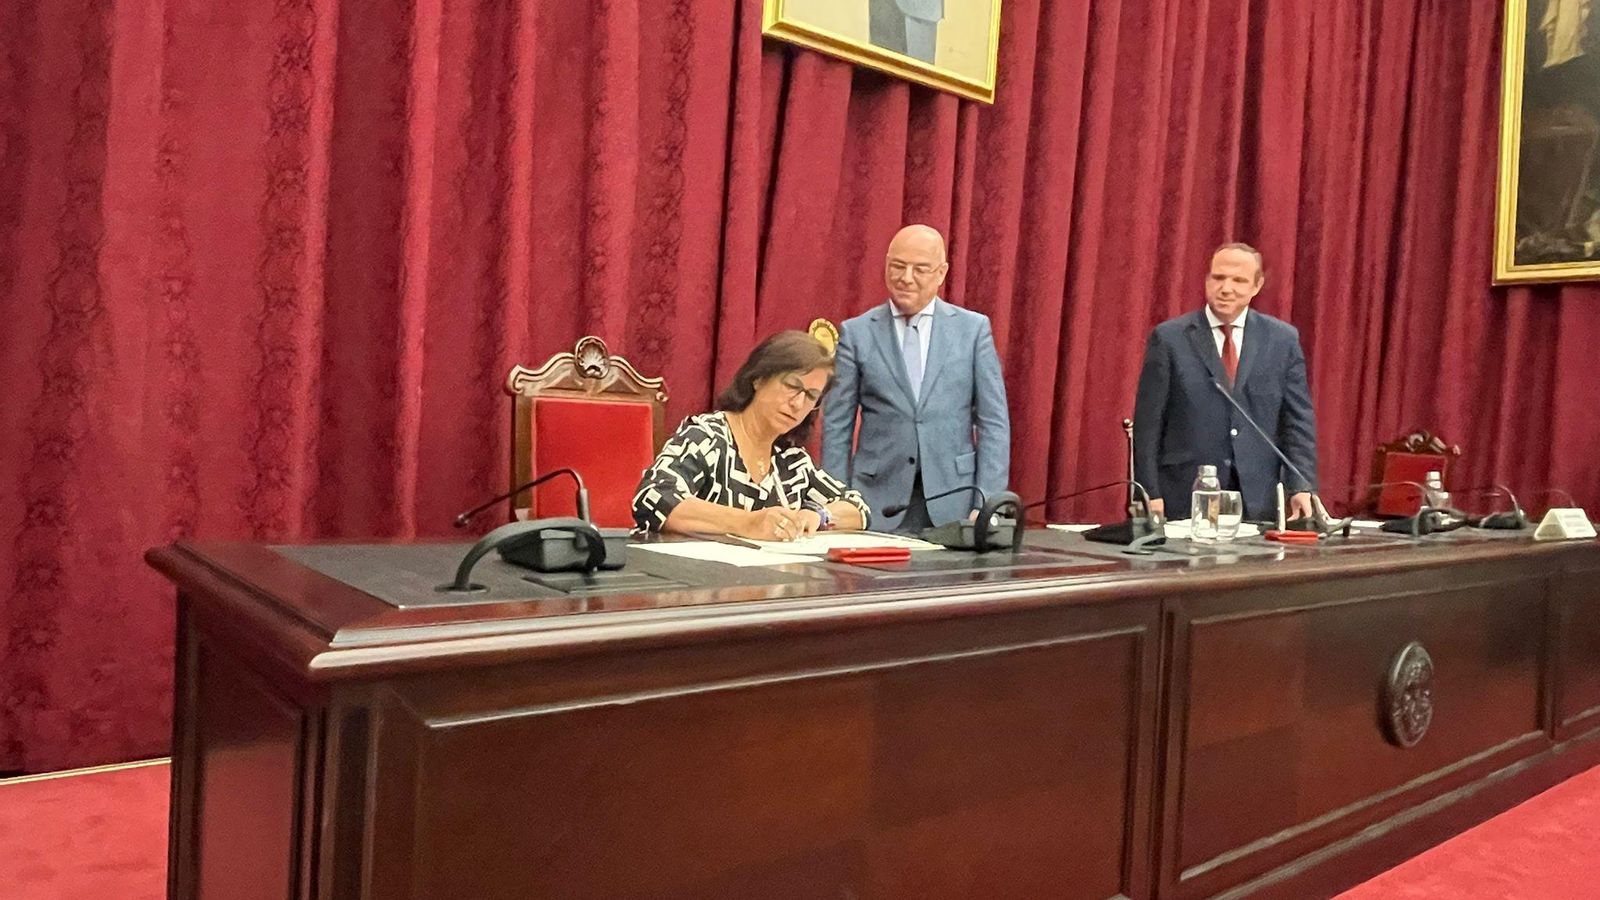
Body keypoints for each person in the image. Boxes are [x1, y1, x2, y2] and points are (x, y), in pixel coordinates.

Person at [822, 224, 1010, 532]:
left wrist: (987, 503)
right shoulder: (857, 333)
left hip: (956, 501)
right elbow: (836, 425)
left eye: (920, 269)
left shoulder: (973, 331)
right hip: (875, 500)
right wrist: (837, 499)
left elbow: (993, 422)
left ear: (941, 273)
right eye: (897, 266)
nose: (905, 278)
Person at [1132, 242, 1318, 521]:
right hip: (1184, 494)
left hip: (1257, 498)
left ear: (1257, 286)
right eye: (1218, 278)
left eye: (1239, 280)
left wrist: (1301, 485)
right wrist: (1148, 493)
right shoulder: (1170, 338)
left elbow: (1297, 422)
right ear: (1207, 280)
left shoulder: (1282, 340)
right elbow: (1148, 425)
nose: (1226, 288)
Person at [633, 331, 870, 539]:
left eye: (810, 396)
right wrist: (748, 523)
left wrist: (819, 515)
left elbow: (858, 509)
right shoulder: (707, 437)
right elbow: (654, 498)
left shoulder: (792, 461)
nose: (798, 403)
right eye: (791, 386)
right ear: (758, 378)